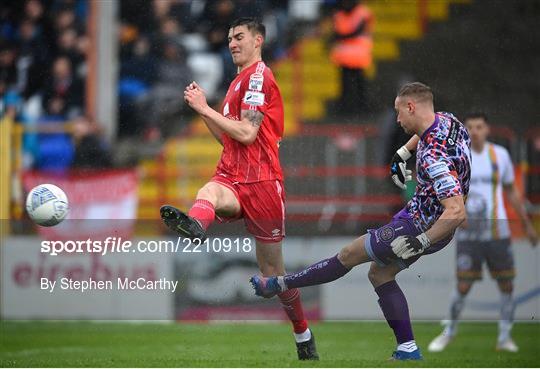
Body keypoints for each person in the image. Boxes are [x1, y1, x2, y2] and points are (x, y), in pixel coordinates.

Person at [250, 82, 472, 361]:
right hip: (422, 218)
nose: (397, 119)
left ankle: (279, 284)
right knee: (379, 274)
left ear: (411, 107)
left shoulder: (434, 158)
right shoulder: (449, 121)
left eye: (398, 112)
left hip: (421, 226)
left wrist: (421, 240)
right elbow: (427, 134)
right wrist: (403, 153)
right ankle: (407, 350)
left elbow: (456, 212)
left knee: (349, 254)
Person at [160, 17, 319, 361]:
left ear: (258, 40)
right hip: (232, 176)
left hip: (262, 183)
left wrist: (204, 107)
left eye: (240, 37)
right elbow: (228, 138)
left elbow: (247, 133)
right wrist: (204, 112)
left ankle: (303, 333)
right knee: (209, 191)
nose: (232, 43)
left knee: (273, 275)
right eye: (230, 38)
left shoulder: (259, 78)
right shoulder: (236, 84)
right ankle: (196, 226)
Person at [428, 113, 538, 353]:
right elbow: (447, 190)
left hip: (498, 232)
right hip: (469, 235)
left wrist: (527, 224)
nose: (475, 131)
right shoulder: (456, 155)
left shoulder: (500, 155)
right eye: (470, 127)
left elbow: (511, 191)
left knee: (506, 285)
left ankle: (505, 337)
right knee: (463, 286)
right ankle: (449, 332)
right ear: (465, 130)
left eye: (479, 127)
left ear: (487, 129)